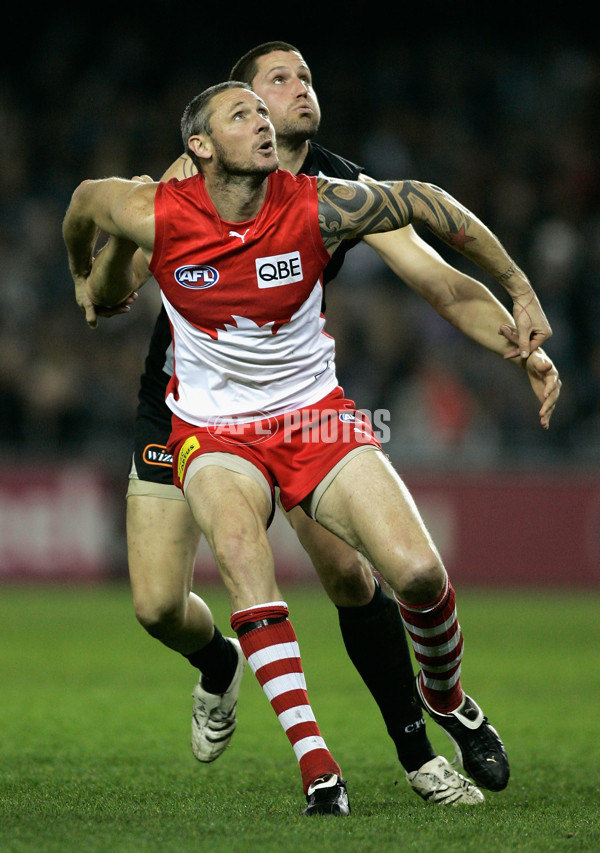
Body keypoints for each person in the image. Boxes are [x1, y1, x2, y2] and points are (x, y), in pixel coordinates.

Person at [63, 80, 561, 815]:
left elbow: (429, 204)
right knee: (221, 580)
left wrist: (520, 292)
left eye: (270, 110)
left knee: (419, 575)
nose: (267, 119)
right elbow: (83, 205)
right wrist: (86, 272)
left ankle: (444, 696)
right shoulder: (158, 207)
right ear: (200, 146)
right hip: (212, 430)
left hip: (313, 419)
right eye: (247, 110)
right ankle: (318, 765)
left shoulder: (325, 201)